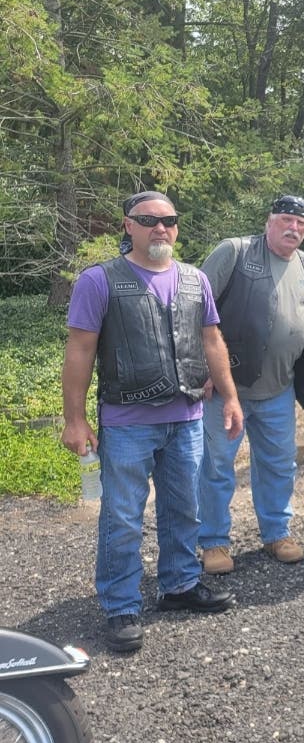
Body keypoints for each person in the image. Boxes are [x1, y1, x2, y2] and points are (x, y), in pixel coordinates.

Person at [61, 191, 242, 653]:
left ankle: (179, 585)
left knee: (185, 508)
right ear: (128, 226)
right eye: (148, 220)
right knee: (122, 516)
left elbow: (211, 339)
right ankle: (120, 604)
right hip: (126, 422)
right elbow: (80, 350)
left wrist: (230, 397)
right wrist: (75, 420)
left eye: (168, 221)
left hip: (187, 417)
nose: (160, 228)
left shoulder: (194, 279)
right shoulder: (99, 281)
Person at [196, 195, 304, 574]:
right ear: (269, 222)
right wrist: (201, 369)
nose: (292, 228)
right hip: (225, 389)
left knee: (280, 465)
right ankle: (214, 541)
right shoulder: (234, 252)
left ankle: (277, 533)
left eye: (300, 223)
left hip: (279, 389)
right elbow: (193, 308)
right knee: (217, 466)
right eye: (285, 220)